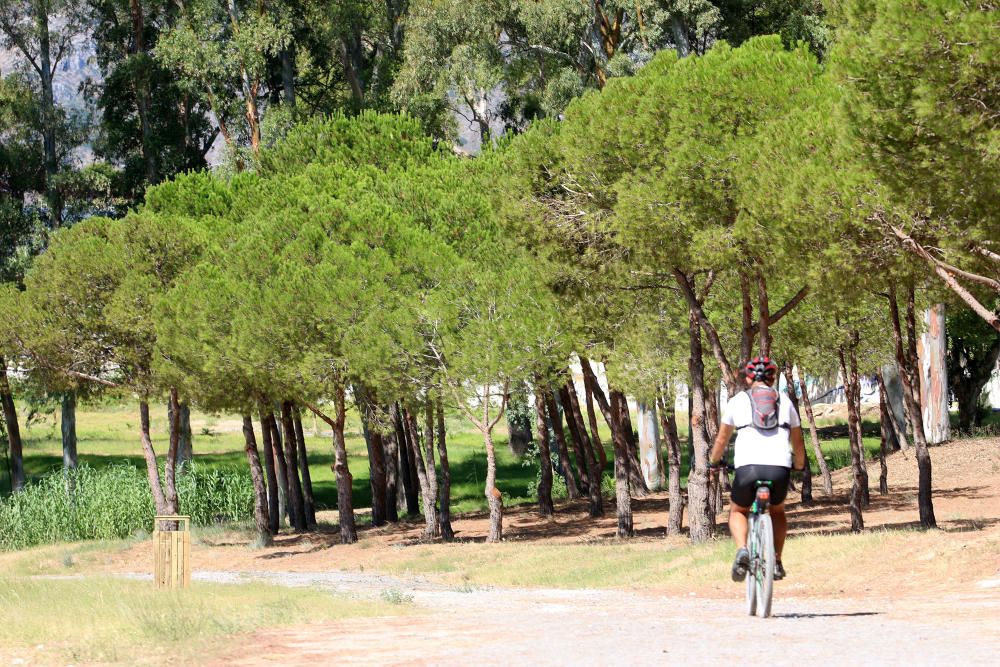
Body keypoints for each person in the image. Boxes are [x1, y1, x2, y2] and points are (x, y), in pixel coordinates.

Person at [708, 356, 806, 582]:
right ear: (773, 378)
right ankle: (777, 561)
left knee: (738, 511)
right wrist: (799, 464)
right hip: (779, 468)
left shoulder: (737, 401)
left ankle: (742, 549)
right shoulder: (786, 402)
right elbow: (798, 441)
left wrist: (714, 462)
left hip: (747, 469)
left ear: (748, 378)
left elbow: (722, 439)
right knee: (778, 511)